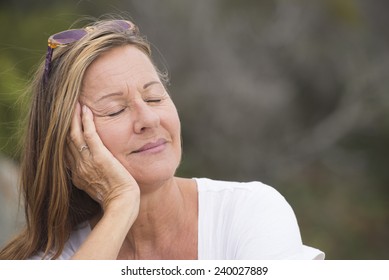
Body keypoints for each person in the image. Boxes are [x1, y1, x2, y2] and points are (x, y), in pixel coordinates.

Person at [0, 16, 324, 260]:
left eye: (154, 98)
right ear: (71, 143)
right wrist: (121, 206)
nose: (149, 119)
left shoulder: (249, 212)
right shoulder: (55, 258)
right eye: (115, 110)